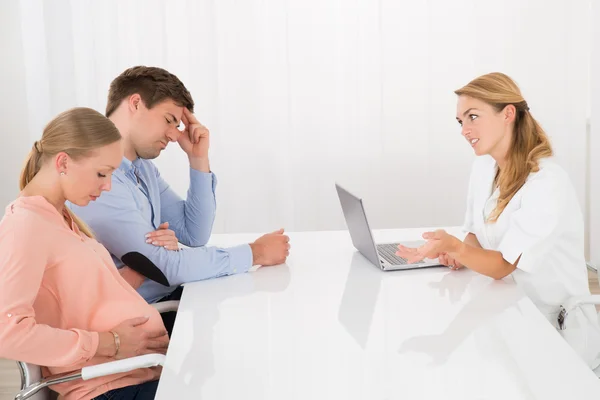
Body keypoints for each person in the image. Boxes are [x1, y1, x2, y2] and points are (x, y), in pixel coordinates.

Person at [396, 72, 600, 369]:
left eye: (473, 117)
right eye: (460, 121)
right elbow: (475, 233)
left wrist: (456, 248)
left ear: (508, 114)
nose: (464, 129)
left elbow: (504, 264)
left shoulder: (546, 182)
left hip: (557, 334)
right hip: (510, 316)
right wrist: (460, 253)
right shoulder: (483, 169)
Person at [68, 67, 290, 332]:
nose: (174, 135)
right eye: (169, 119)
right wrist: (256, 253)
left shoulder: (142, 170)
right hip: (139, 321)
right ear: (136, 104)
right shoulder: (101, 181)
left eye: (178, 125)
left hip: (167, 303)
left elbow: (193, 233)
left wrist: (198, 159)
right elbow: (164, 267)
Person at [0, 108, 170, 400]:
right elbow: (6, 332)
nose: (107, 186)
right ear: (63, 161)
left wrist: (149, 256)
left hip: (136, 373)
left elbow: (82, 297)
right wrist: (110, 342)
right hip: (109, 388)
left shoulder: (59, 217)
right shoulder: (25, 224)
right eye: (102, 173)